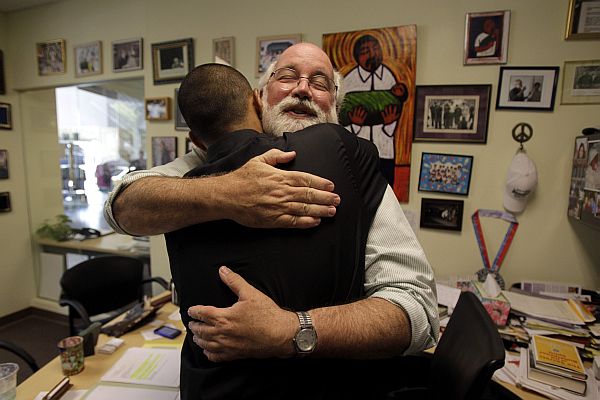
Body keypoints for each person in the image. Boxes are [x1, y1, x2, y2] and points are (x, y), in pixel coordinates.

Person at [103, 43, 437, 376]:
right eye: (288, 77)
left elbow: (419, 313)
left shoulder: (356, 169)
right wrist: (228, 191)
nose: (303, 88)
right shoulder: (206, 162)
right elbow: (122, 207)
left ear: (335, 105)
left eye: (320, 83)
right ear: (260, 97)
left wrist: (294, 329)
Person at [342, 34, 407, 186]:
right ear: (357, 57)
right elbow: (341, 115)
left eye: (375, 49)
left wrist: (388, 123)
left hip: (384, 149)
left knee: (386, 191)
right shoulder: (349, 81)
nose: (372, 54)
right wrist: (355, 125)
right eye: (365, 51)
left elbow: (396, 104)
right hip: (356, 153)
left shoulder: (388, 76)